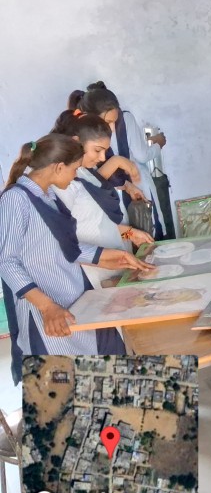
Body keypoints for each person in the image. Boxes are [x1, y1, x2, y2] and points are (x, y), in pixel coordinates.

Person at [0, 134, 153, 384]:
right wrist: (47, 307)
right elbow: (6, 262)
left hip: (75, 293)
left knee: (110, 354)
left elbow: (66, 247)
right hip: (48, 307)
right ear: (59, 167)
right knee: (62, 382)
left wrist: (111, 256)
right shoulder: (16, 199)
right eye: (74, 169)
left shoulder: (49, 195)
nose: (75, 175)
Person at [52, 111, 154, 287]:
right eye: (98, 150)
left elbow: (103, 227)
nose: (102, 158)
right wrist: (106, 259)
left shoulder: (87, 175)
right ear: (76, 142)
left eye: (105, 151)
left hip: (115, 268)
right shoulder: (63, 184)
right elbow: (62, 243)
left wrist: (131, 234)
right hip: (92, 275)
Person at [79, 83, 173, 239]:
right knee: (142, 233)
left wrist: (127, 184)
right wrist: (158, 145)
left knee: (141, 234)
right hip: (119, 193)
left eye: (114, 121)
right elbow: (142, 155)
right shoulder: (84, 156)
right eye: (108, 122)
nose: (112, 128)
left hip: (126, 190)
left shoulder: (94, 135)